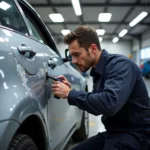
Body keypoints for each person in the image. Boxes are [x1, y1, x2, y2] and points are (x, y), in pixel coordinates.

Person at [52, 26, 150, 150]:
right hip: (115, 132)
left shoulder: (120, 66)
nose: (74, 61)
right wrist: (72, 91)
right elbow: (96, 104)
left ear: (93, 48)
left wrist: (70, 94)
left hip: (136, 135)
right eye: (72, 56)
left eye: (77, 54)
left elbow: (108, 104)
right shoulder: (98, 70)